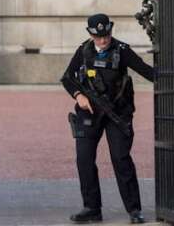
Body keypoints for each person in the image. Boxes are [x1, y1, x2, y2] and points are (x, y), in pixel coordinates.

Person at [60, 13, 155, 224]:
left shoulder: (122, 51)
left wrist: (171, 74)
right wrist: (79, 95)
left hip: (117, 113)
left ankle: (134, 210)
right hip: (89, 113)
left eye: (106, 35)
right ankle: (92, 208)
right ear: (91, 34)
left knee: (121, 159)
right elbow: (67, 78)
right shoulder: (83, 51)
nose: (103, 40)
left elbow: (146, 71)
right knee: (84, 160)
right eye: (99, 36)